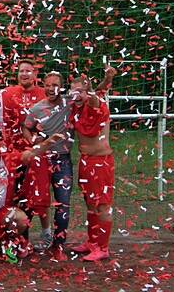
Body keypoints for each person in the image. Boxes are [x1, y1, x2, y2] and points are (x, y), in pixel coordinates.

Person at [0, 130, 64, 264]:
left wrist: (50, 141)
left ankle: (7, 243)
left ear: (1, 144)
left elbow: (31, 153)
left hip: (4, 210)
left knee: (22, 220)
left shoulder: (10, 158)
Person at [22, 72, 72, 260]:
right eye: (48, 85)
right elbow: (26, 126)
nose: (51, 88)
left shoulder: (69, 104)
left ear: (62, 86)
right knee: (32, 201)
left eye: (55, 85)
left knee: (63, 203)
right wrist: (34, 141)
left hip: (63, 159)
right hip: (41, 159)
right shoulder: (36, 109)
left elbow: (90, 94)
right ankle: (23, 242)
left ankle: (58, 246)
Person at [69, 76, 114, 261]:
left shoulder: (96, 104)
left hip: (100, 161)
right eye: (74, 91)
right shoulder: (75, 108)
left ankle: (103, 247)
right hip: (85, 161)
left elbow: (97, 95)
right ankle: (92, 242)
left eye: (81, 91)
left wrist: (106, 79)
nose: (77, 94)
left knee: (102, 205)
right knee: (90, 203)